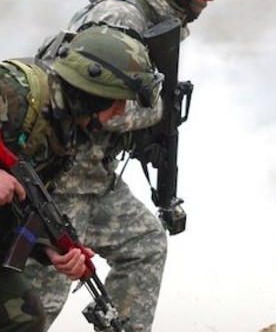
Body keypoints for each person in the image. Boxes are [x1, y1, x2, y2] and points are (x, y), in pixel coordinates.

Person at [24, 0, 237, 332]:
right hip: (61, 181)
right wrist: (159, 109)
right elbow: (107, 111)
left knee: (144, 244)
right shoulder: (120, 20)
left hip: (91, 176)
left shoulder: (143, 17)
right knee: (36, 307)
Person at [1, 25, 161, 332]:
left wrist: (48, 248)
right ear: (92, 92)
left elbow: (24, 207)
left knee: (24, 315)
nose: (122, 110)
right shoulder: (18, 90)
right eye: (118, 98)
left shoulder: (70, 129)